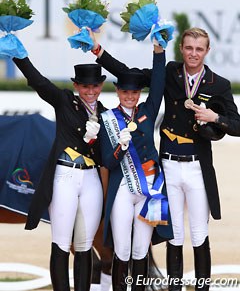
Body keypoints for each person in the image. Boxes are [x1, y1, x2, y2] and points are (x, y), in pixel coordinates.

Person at [90, 27, 240, 291]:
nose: (193, 54)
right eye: (189, 48)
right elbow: (129, 75)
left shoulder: (219, 84)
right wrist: (98, 52)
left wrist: (215, 118)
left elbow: (238, 125)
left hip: (197, 166)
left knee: (198, 234)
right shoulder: (171, 72)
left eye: (199, 49)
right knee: (176, 235)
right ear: (181, 49)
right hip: (168, 165)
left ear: (207, 51)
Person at [12, 51, 108, 291]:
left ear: (101, 85)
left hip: (91, 180)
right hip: (65, 177)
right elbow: (39, 82)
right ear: (76, 86)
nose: (90, 91)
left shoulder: (106, 114)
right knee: (62, 244)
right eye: (85, 86)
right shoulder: (65, 100)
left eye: (95, 86)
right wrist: (19, 57)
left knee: (85, 245)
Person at [94, 42, 173, 291]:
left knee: (141, 250)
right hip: (122, 191)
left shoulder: (148, 111)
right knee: (122, 249)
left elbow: (159, 83)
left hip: (149, 189)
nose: (130, 96)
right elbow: (108, 161)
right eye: (125, 92)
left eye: (135, 92)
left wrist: (159, 52)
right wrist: (121, 148)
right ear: (117, 91)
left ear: (139, 93)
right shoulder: (107, 119)